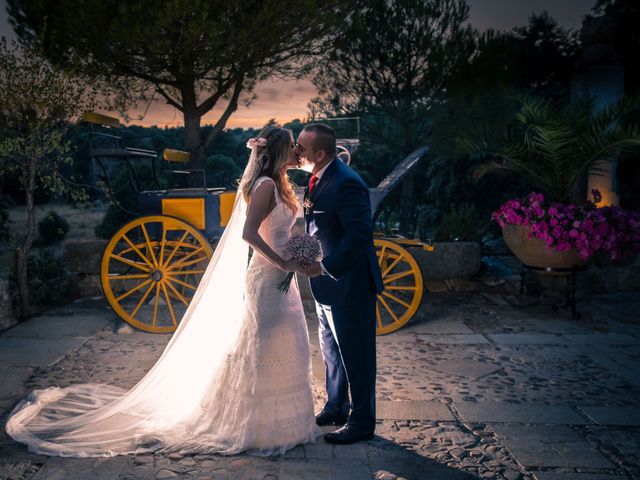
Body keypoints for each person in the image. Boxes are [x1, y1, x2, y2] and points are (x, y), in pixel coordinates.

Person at [5, 126, 321, 457]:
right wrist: (285, 264)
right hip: (267, 275)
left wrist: (298, 252)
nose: (298, 152)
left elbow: (285, 218)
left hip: (283, 278)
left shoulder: (282, 182)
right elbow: (248, 234)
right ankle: (254, 423)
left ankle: (286, 420)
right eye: (293, 147)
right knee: (262, 342)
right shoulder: (266, 185)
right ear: (280, 151)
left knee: (288, 339)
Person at [297, 124, 384, 445]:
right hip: (326, 287)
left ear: (320, 154)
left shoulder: (347, 183)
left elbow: (360, 235)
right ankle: (336, 406)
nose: (297, 153)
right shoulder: (318, 178)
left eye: (302, 149)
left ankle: (362, 421)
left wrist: (325, 266)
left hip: (350, 284)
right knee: (332, 352)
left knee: (357, 355)